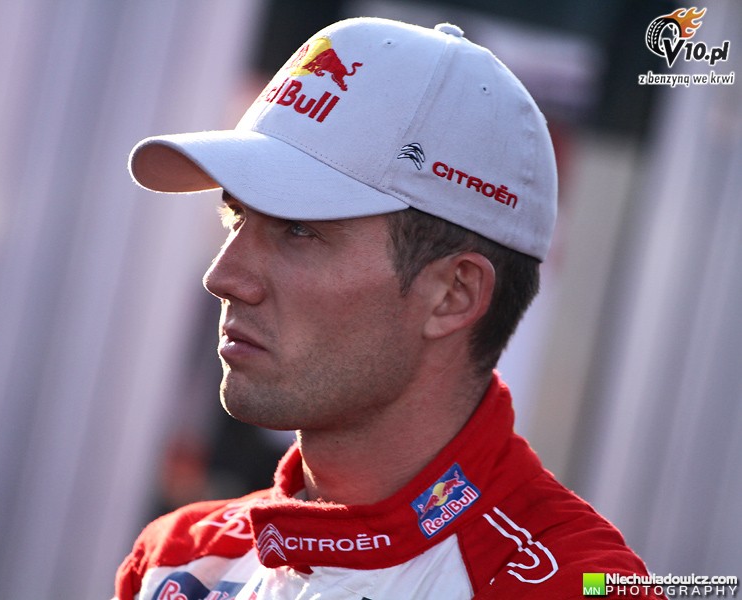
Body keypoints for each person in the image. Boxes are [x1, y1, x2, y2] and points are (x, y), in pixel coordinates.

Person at [115, 17, 663, 600]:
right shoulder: (179, 560)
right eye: (237, 216)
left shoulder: (571, 585)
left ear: (453, 295)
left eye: (298, 229)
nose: (223, 277)